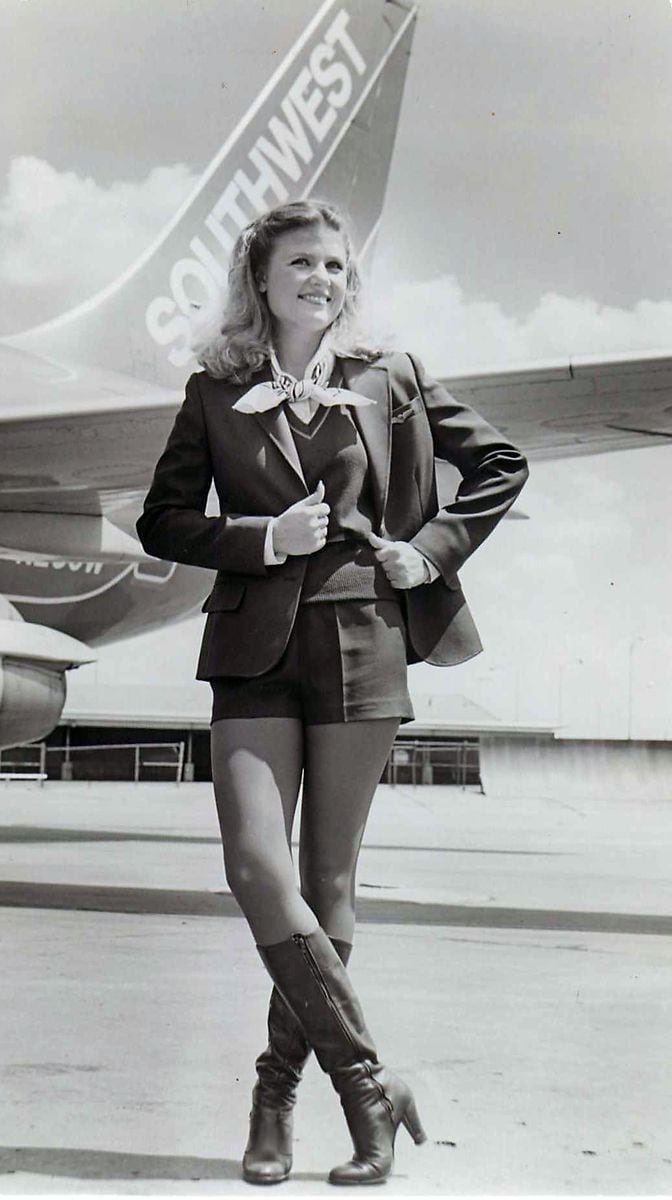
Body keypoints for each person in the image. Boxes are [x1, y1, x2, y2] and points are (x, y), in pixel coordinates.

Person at [136, 199, 528, 1186]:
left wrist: (428, 553)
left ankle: (276, 1096)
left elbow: (498, 462)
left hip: (363, 635)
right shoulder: (214, 392)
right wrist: (264, 539)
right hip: (252, 646)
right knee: (256, 868)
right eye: (304, 263)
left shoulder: (388, 377)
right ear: (259, 280)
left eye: (338, 266)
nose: (325, 278)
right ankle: (372, 1084)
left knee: (329, 885)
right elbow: (164, 519)